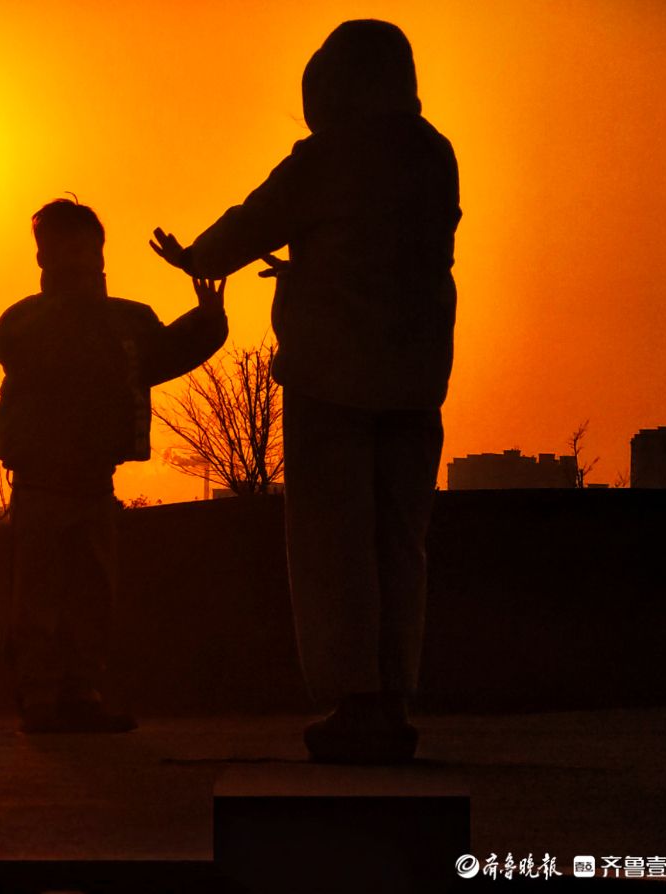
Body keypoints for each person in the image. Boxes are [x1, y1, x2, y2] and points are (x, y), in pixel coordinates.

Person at [151, 19, 461, 762]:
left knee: (334, 545)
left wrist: (194, 256)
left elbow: (253, 223)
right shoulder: (433, 153)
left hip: (331, 380)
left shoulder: (327, 156)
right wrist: (317, 268)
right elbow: (398, 248)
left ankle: (354, 701)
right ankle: (393, 696)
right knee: (399, 543)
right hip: (417, 376)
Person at [0, 198, 228, 733]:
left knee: (92, 597)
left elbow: (165, 354)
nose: (74, 259)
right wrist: (70, 304)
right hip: (41, 482)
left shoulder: (127, 319)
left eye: (82, 247)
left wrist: (209, 322)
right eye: (60, 249)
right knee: (40, 597)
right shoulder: (26, 319)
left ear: (99, 252)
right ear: (41, 258)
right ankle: (41, 696)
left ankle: (80, 694)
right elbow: (13, 346)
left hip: (96, 483)